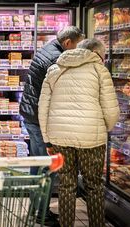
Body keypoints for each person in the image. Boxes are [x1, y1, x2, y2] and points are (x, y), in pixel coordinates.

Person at [38, 38, 120, 227]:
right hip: (92, 139)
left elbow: (43, 108)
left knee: (66, 185)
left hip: (60, 137)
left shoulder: (55, 70)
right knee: (94, 186)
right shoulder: (100, 70)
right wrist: (102, 128)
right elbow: (111, 110)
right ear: (97, 54)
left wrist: (47, 139)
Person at [19, 26, 84, 226]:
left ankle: (36, 208)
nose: (77, 49)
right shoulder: (55, 59)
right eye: (77, 45)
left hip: (31, 115)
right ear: (67, 43)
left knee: (37, 163)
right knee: (47, 166)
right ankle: (41, 213)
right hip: (40, 118)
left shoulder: (49, 49)